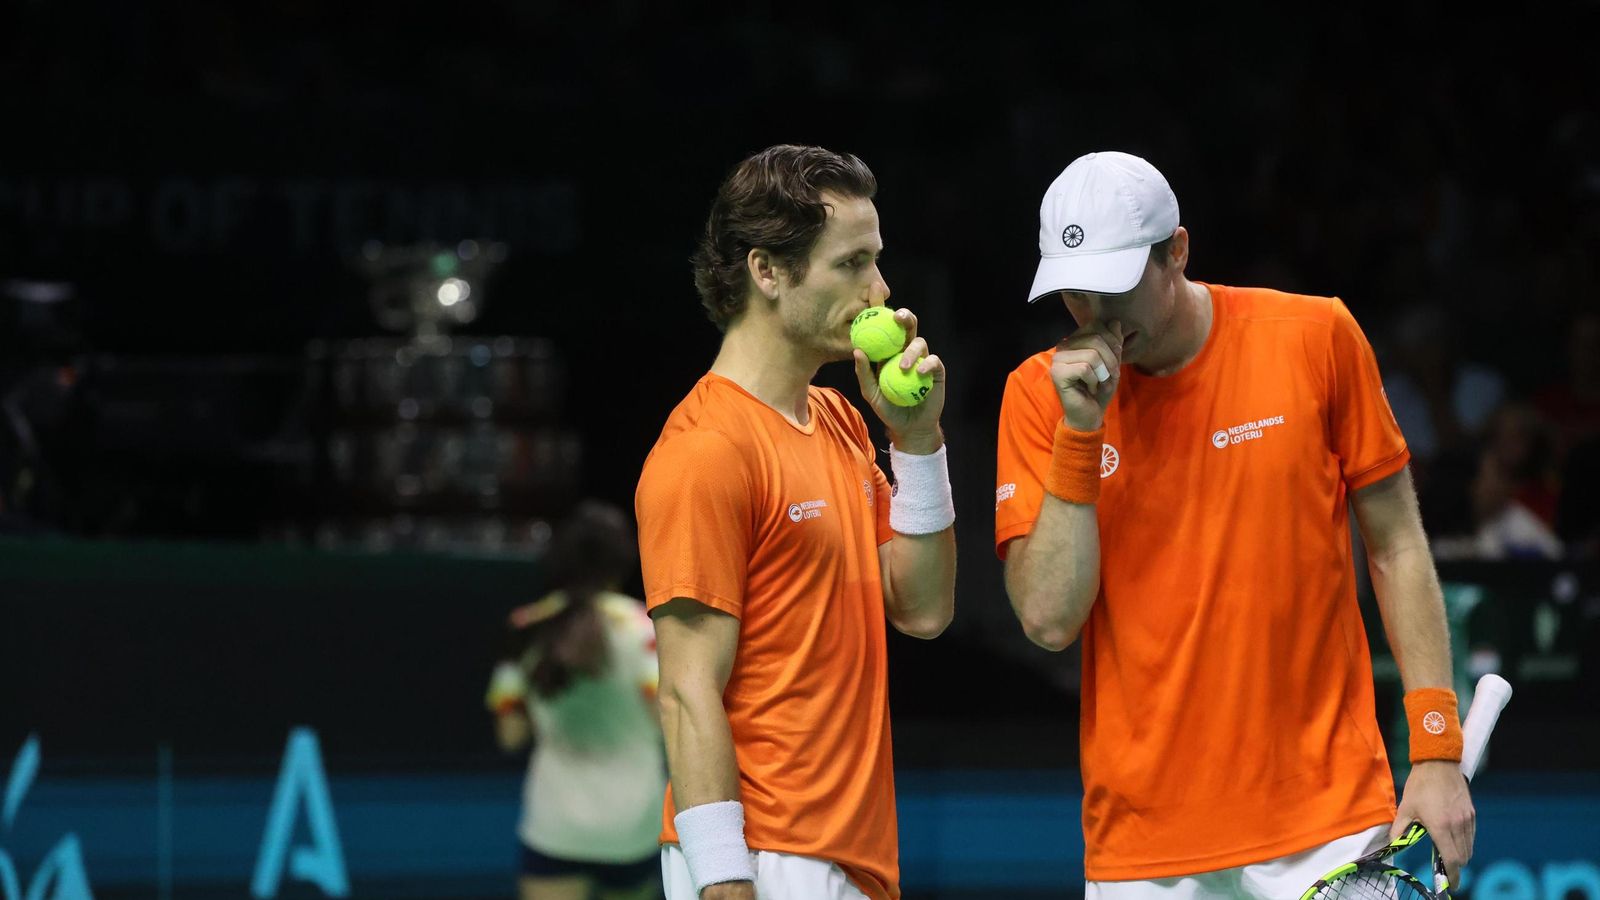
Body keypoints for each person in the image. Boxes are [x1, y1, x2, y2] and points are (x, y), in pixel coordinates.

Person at [994, 151, 1475, 897]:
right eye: (1076, 294)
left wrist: (1437, 748)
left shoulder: (1316, 336)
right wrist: (1080, 432)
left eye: (1116, 288)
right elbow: (1049, 619)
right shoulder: (1038, 396)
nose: (1096, 316)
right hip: (1144, 841)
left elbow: (1397, 545)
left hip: (1324, 816)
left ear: (1177, 252)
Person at [634, 144, 957, 900]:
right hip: (765, 856)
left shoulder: (840, 418)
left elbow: (924, 609)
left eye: (877, 260)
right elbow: (686, 690)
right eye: (851, 264)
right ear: (767, 272)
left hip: (852, 851)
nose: (880, 290)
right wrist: (725, 880)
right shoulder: (705, 451)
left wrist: (916, 442)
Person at [485, 500, 665, 900]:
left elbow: (510, 735)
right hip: (632, 825)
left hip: (555, 825)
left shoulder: (525, 627)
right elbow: (667, 723)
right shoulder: (645, 629)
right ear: (624, 560)